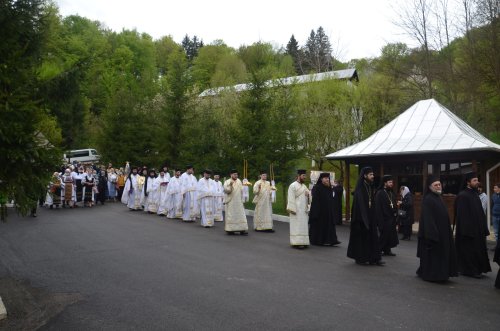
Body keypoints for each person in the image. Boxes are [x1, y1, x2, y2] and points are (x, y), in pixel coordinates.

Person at [416, 176, 458, 282]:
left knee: (441, 255)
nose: (439, 186)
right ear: (430, 187)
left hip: (443, 233)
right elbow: (428, 219)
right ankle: (434, 276)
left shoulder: (438, 197)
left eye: (439, 184)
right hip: (434, 235)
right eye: (436, 185)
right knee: (435, 257)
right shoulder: (428, 199)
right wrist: (432, 235)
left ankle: (442, 274)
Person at [454, 172, 491, 278]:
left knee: (478, 250)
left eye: (477, 180)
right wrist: (467, 231)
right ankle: (470, 271)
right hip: (468, 231)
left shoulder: (474, 194)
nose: (477, 182)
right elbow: (462, 216)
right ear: (468, 182)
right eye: (474, 180)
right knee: (469, 252)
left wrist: (483, 228)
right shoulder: (463, 196)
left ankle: (478, 269)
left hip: (477, 230)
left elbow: (480, 213)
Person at [347, 167, 384, 266]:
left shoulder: (370, 186)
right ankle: (361, 258)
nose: (372, 176)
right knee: (362, 239)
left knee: (373, 238)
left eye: (372, 174)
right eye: (370, 175)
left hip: (370, 218)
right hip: (361, 219)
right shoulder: (360, 189)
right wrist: (362, 219)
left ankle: (375, 258)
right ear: (364, 176)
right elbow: (358, 207)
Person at [308, 173, 341, 246]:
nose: (327, 179)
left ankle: (332, 240)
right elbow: (315, 201)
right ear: (321, 179)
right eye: (325, 178)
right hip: (320, 211)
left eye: (328, 178)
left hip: (328, 211)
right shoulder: (317, 187)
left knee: (329, 226)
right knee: (319, 227)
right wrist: (316, 212)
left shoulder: (329, 188)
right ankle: (318, 240)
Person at [375, 175, 399, 256]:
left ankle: (387, 250)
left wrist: (396, 208)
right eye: (390, 182)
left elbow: (393, 203)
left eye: (392, 182)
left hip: (391, 218)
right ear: (385, 183)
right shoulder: (380, 193)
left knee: (390, 235)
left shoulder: (391, 192)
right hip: (384, 219)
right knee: (383, 236)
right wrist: (379, 221)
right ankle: (377, 250)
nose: (391, 184)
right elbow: (378, 208)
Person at [286, 169, 310, 248]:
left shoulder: (304, 186)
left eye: (305, 176)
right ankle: (296, 242)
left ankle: (304, 241)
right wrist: (292, 209)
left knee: (303, 226)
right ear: (298, 176)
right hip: (296, 210)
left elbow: (309, 197)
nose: (304, 177)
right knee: (297, 226)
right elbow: (290, 198)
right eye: (303, 176)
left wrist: (308, 195)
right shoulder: (292, 185)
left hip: (303, 210)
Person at [223, 169, 248, 235]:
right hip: (231, 201)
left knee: (241, 215)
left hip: (239, 201)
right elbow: (226, 191)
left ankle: (242, 229)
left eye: (236, 174)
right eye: (234, 174)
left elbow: (242, 190)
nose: (236, 175)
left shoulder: (239, 181)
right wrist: (230, 185)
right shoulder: (227, 182)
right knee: (231, 215)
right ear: (231, 175)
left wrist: (245, 187)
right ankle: (230, 229)